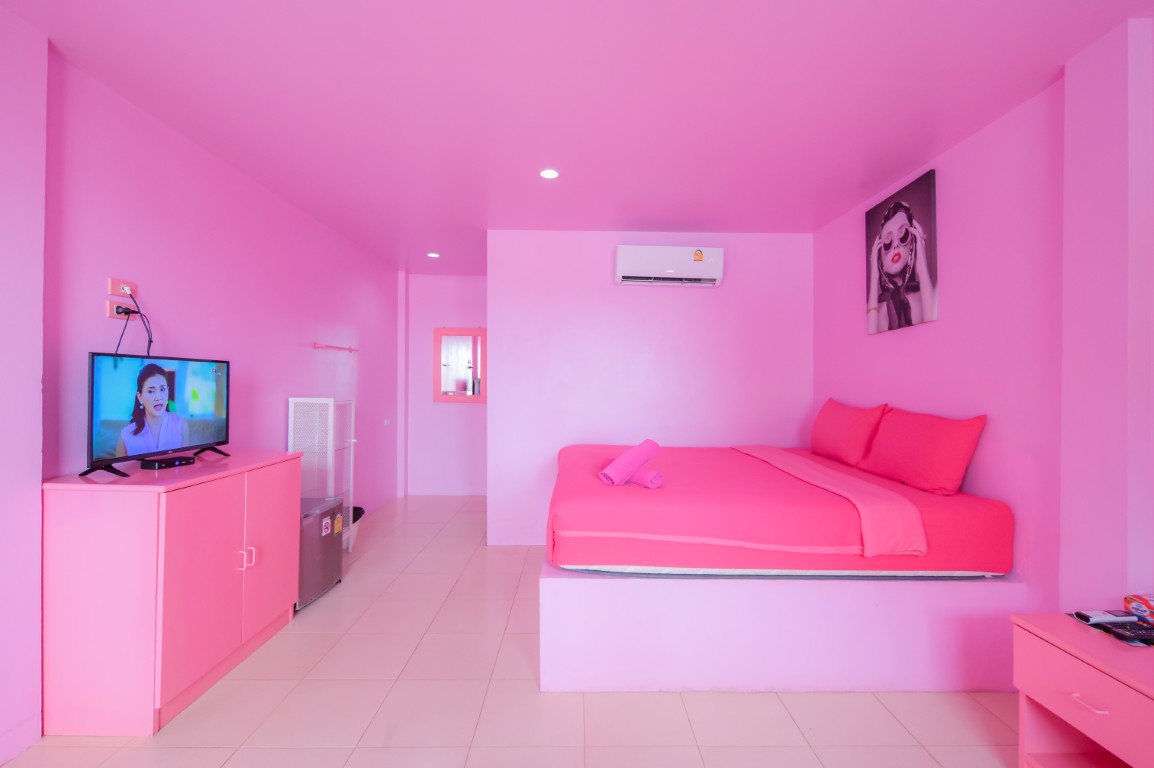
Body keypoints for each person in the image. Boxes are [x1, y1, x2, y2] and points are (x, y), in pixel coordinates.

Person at [867, 200, 937, 333]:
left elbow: (935, 334)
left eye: (903, 234)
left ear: (913, 243)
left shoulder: (928, 296)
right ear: (879, 256)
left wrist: (922, 267)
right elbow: (867, 340)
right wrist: (874, 278)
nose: (895, 245)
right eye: (887, 241)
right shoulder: (873, 308)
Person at [115, 363, 189, 456]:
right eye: (151, 391)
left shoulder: (180, 425)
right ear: (140, 397)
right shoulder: (126, 436)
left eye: (162, 389)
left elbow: (186, 462)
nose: (158, 397)